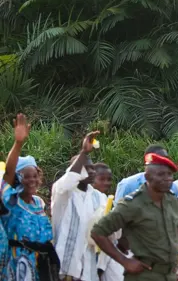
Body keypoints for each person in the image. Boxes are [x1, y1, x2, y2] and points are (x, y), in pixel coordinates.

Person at [91, 152, 178, 281]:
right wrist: (124, 261)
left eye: (169, 174)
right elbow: (98, 232)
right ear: (147, 176)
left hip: (169, 275)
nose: (167, 178)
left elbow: (177, 227)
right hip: (144, 275)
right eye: (161, 174)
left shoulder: (172, 200)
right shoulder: (133, 204)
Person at [2, 113, 57, 281]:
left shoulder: (39, 203)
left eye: (35, 176)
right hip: (15, 265)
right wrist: (18, 143)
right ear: (18, 178)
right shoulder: (11, 201)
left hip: (39, 265)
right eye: (27, 176)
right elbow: (8, 173)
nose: (32, 180)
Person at [51, 131, 104, 281]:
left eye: (93, 168)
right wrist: (84, 152)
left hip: (89, 268)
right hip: (65, 267)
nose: (93, 172)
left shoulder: (98, 197)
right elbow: (69, 179)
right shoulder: (63, 193)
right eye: (87, 168)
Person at [91, 163, 125, 281]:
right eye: (102, 179)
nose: (106, 183)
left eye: (109, 179)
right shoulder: (87, 199)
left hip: (105, 250)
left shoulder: (105, 199)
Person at [114, 144, 178, 203]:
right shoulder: (127, 185)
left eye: (166, 159)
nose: (163, 163)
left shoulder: (173, 188)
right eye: (157, 160)